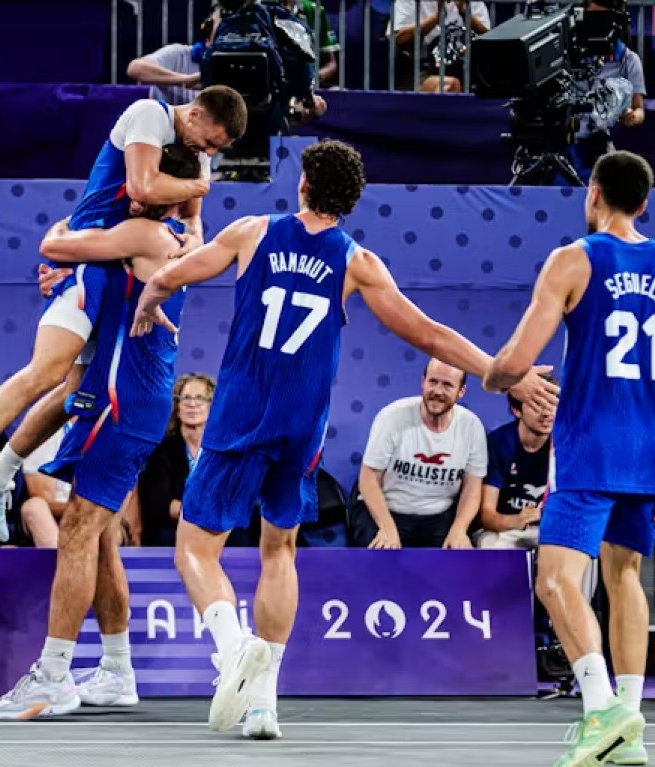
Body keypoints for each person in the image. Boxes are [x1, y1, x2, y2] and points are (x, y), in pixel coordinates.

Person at [129, 139, 559, 738]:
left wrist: (150, 299)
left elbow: (175, 275)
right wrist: (498, 370)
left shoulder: (254, 231)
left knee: (195, 549)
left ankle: (232, 651)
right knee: (279, 551)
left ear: (303, 185)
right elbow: (429, 334)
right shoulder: (357, 262)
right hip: (301, 426)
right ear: (351, 202)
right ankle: (262, 706)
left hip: (240, 417)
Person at [484, 150, 655, 767]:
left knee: (557, 580)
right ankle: (633, 721)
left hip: (588, 444)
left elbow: (516, 359)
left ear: (593, 194)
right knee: (622, 579)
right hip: (645, 451)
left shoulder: (573, 260)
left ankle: (603, 712)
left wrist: (498, 378)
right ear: (643, 203)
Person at [0, 88, 247, 538]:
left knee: (71, 393)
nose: (210, 154)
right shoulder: (149, 119)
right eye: (209, 144)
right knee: (47, 372)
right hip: (89, 264)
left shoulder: (184, 175)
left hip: (111, 269)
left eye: (215, 151)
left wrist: (190, 237)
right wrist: (68, 252)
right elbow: (115, 204)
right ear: (193, 116)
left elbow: (191, 219)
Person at [0, 151, 205, 720]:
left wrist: (61, 248)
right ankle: (117, 668)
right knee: (99, 536)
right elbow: (91, 268)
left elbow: (57, 243)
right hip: (124, 399)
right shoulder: (180, 231)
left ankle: (53, 675)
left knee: (76, 529)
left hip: (123, 405)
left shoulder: (141, 231)